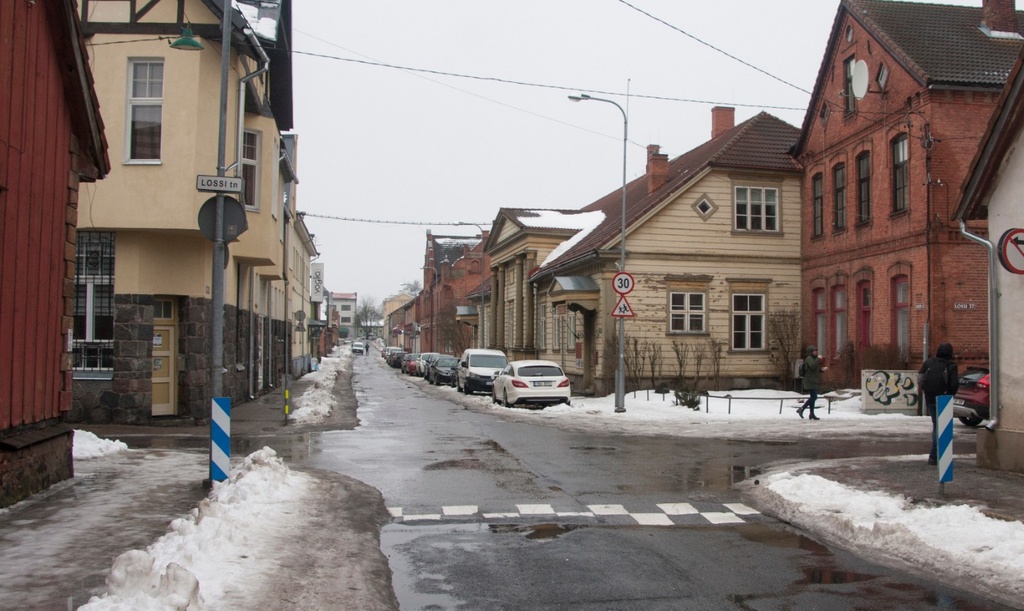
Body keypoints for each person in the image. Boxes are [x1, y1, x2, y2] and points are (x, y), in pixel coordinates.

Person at [918, 342, 960, 465]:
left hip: (930, 397)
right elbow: (954, 384)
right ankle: (936, 456)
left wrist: (926, 390)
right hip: (944, 399)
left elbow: (920, 379)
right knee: (941, 426)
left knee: (936, 425)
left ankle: (936, 456)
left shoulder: (928, 363)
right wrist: (950, 395)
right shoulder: (951, 366)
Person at [797, 346, 827, 420]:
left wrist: (821, 370)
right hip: (809, 381)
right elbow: (813, 366)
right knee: (814, 397)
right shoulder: (809, 358)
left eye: (816, 351)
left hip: (813, 380)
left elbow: (813, 370)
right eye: (814, 351)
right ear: (810, 352)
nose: (816, 352)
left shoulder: (813, 359)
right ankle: (802, 408)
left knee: (812, 397)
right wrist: (818, 358)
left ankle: (812, 414)